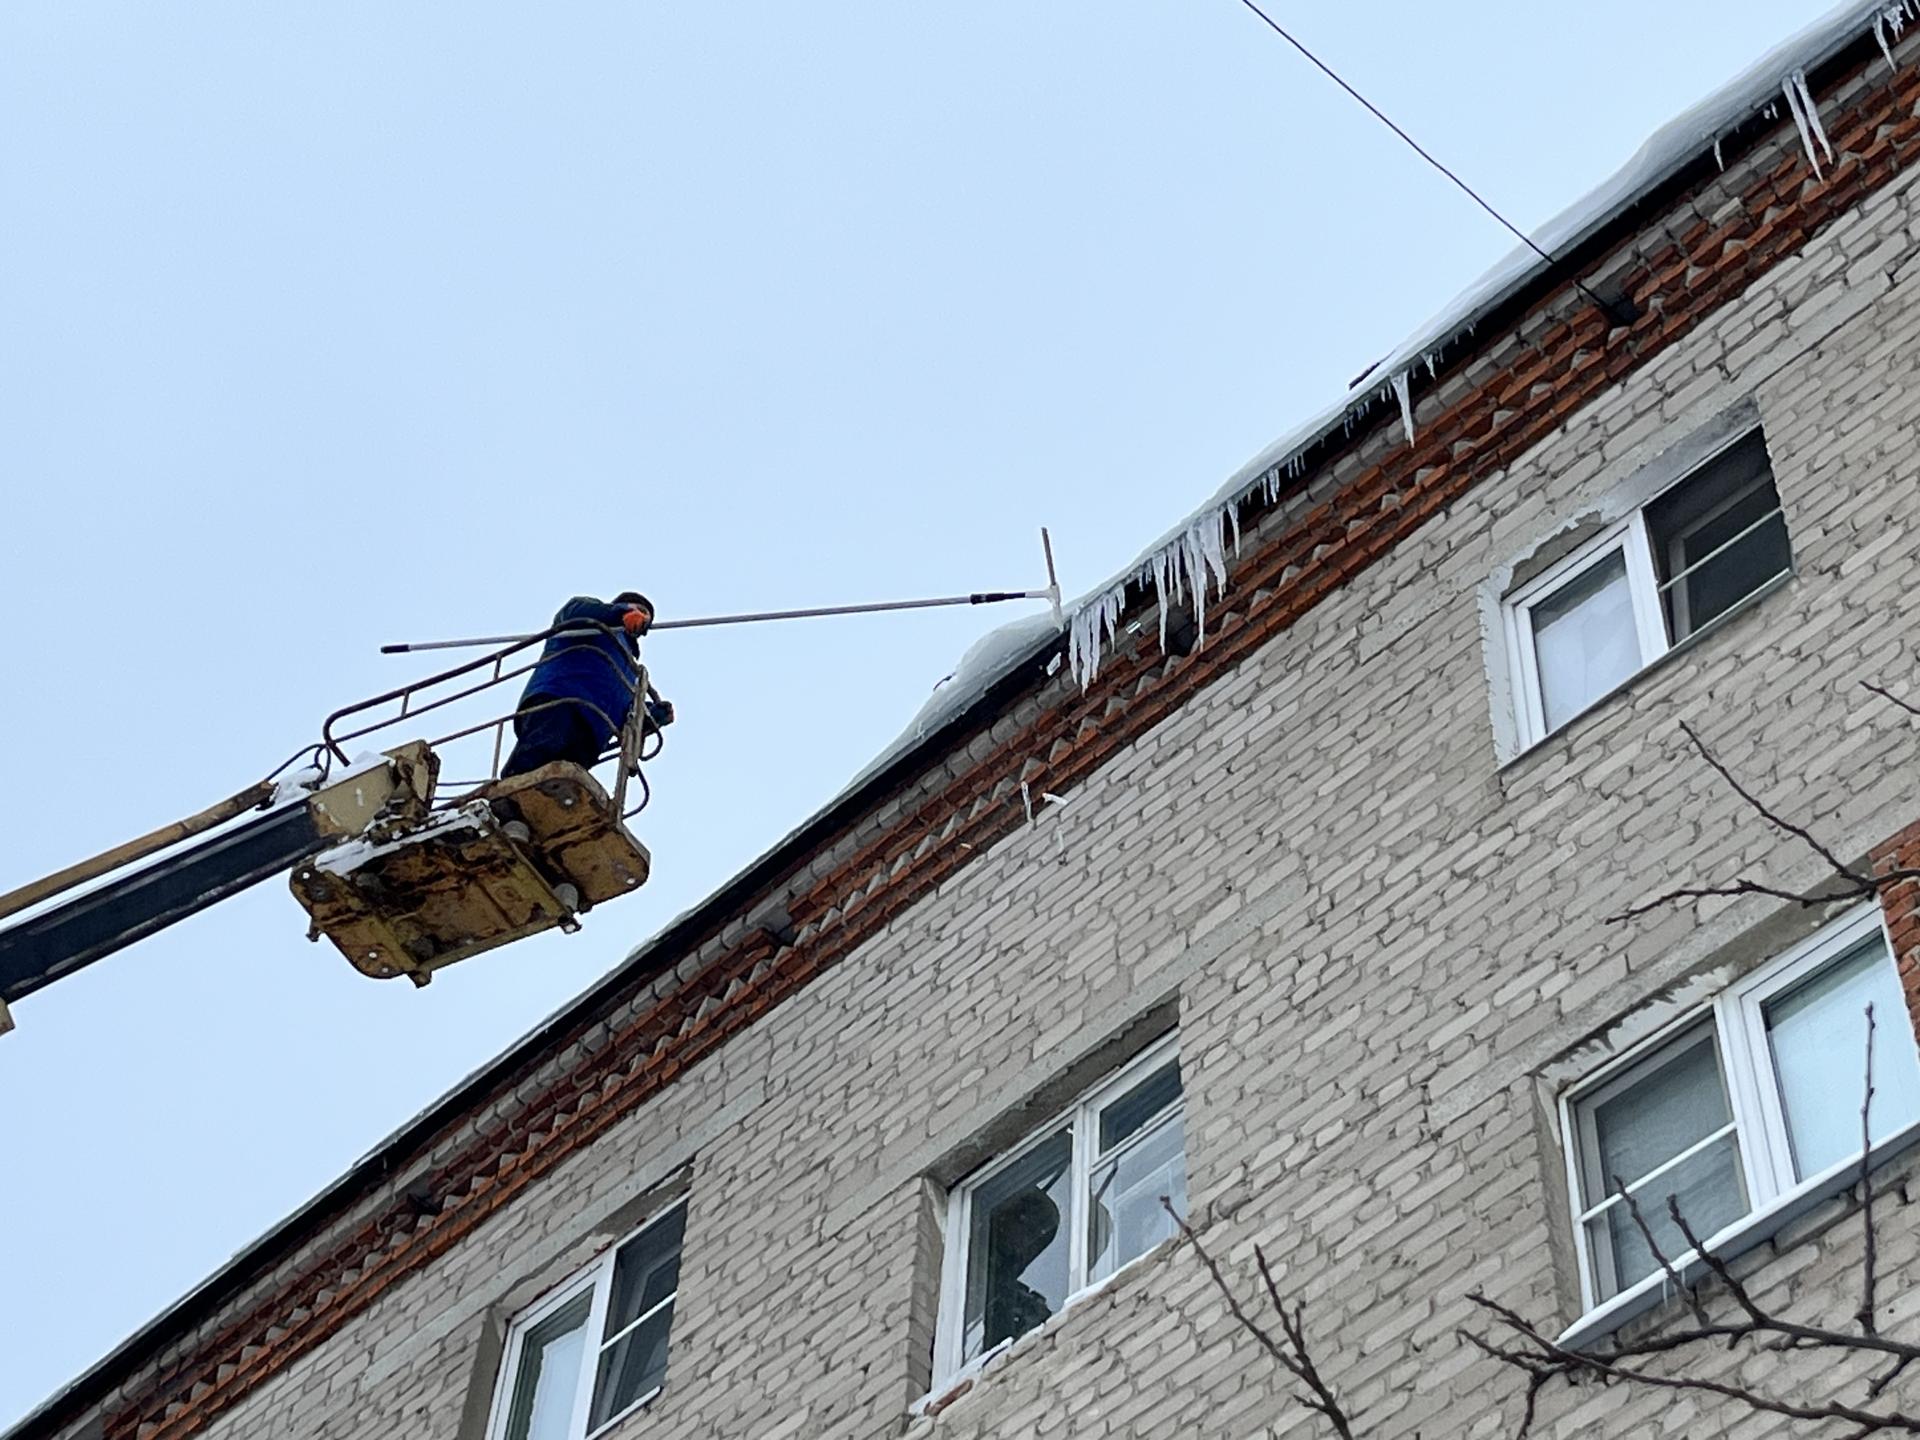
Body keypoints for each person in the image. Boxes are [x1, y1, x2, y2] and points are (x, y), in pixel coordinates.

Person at [500, 593, 674, 778]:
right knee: (537, 756)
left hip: (594, 731)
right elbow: (573, 612)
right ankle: (502, 799)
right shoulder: (593, 625)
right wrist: (619, 614)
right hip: (561, 700)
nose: (643, 616)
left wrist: (650, 716)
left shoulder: (631, 670)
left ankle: (532, 804)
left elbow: (625, 711)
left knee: (564, 779)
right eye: (640, 609)